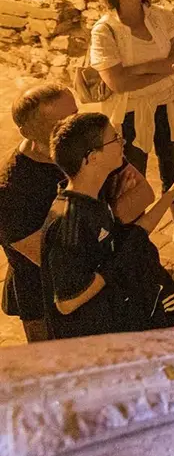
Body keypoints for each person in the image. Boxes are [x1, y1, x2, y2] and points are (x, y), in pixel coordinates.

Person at [40, 113, 174, 339]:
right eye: (114, 139)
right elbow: (67, 302)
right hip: (95, 347)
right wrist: (117, 266)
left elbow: (134, 236)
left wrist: (172, 192)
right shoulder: (69, 222)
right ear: (92, 158)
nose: (122, 142)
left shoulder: (93, 198)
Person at [89, 0, 174, 248]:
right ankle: (133, 243)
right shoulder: (105, 30)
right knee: (131, 177)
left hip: (169, 105)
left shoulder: (162, 17)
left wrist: (139, 69)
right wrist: (166, 66)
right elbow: (116, 83)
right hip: (129, 113)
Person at [0, 85, 78, 342]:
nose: (74, 127)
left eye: (75, 115)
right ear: (28, 131)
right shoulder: (11, 190)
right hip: (44, 300)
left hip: (84, 286)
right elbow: (48, 259)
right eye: (61, 122)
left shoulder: (73, 153)